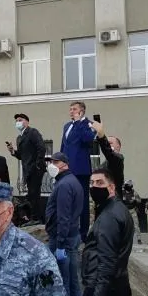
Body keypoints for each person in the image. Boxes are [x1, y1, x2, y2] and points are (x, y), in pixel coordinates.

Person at [80, 168, 134, 296]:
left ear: (111, 187)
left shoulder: (109, 217)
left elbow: (107, 262)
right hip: (117, 286)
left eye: (100, 183)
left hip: (102, 290)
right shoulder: (116, 209)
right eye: (92, 183)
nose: (94, 187)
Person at [44, 152, 83, 296]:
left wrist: (59, 244)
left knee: (62, 283)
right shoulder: (70, 182)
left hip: (63, 240)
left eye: (54, 162)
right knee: (73, 282)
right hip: (71, 238)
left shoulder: (65, 185)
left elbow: (63, 217)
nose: (51, 165)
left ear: (64, 164)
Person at [60, 101, 96, 240]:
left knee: (82, 202)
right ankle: (68, 229)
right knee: (68, 201)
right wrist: (59, 164)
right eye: (70, 109)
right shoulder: (67, 126)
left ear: (81, 111)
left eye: (74, 109)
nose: (71, 111)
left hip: (81, 170)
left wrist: (80, 122)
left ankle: (83, 233)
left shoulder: (88, 124)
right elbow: (64, 146)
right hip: (67, 170)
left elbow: (87, 140)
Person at [7, 113, 46, 225]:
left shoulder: (33, 132)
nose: (18, 122)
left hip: (35, 168)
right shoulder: (20, 138)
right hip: (27, 169)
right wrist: (13, 151)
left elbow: (41, 147)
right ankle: (33, 217)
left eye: (20, 120)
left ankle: (36, 218)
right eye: (16, 121)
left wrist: (38, 164)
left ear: (27, 122)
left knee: (34, 193)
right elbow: (21, 156)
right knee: (31, 194)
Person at [91, 120, 124, 199]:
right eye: (107, 143)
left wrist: (101, 134)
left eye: (110, 143)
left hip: (113, 198)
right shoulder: (106, 162)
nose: (108, 145)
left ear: (118, 146)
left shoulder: (118, 159)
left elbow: (108, 151)